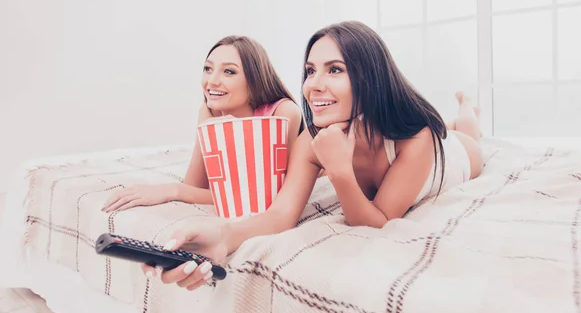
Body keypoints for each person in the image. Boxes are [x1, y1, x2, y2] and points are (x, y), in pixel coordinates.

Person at [140, 21, 484, 289]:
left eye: (334, 69)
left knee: (466, 132)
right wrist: (225, 235)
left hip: (459, 157)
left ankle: (465, 110)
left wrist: (340, 172)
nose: (313, 85)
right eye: (310, 71)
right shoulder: (312, 141)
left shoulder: (416, 137)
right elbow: (280, 216)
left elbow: (377, 221)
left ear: (371, 79)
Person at [102, 36, 303, 213]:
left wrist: (173, 190)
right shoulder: (209, 111)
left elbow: (263, 198)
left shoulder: (283, 113)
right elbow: (195, 184)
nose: (212, 81)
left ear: (254, 80)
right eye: (208, 68)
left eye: (229, 72)